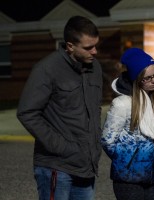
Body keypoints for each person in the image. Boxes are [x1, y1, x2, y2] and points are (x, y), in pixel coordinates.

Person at [17, 16, 103, 200]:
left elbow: (95, 109)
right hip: (56, 166)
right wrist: (62, 147)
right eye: (88, 47)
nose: (95, 52)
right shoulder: (46, 69)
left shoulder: (95, 68)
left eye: (96, 45)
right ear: (70, 46)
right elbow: (27, 112)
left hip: (86, 167)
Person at [101, 47, 154, 200]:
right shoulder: (122, 104)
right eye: (147, 78)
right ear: (137, 79)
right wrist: (128, 159)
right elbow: (107, 140)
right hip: (128, 179)